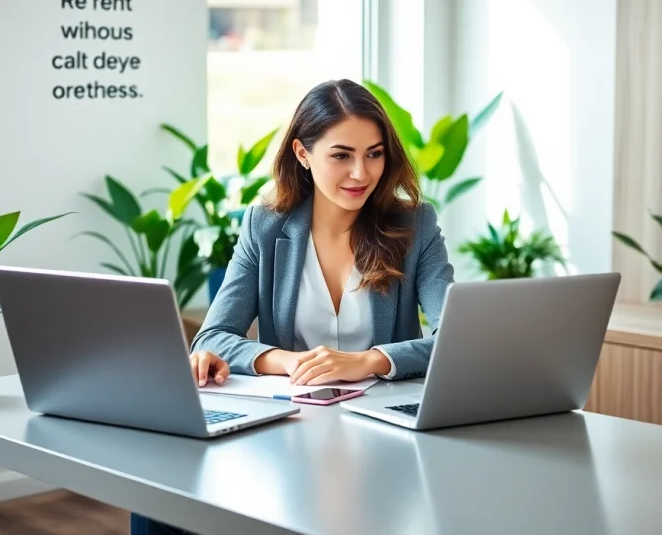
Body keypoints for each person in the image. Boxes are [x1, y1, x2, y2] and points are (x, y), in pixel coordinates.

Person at [129, 78, 455, 535]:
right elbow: (213, 337)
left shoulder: (415, 224)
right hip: (290, 426)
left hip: (382, 429)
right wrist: (288, 361)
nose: (361, 173)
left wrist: (371, 360)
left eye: (374, 154)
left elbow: (454, 340)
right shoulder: (265, 225)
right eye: (341, 155)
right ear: (303, 154)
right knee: (155, 493)